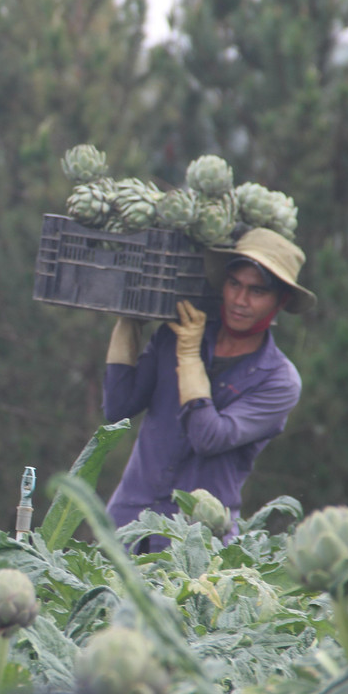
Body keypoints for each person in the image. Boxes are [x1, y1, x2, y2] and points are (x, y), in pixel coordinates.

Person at [101, 228, 316, 550]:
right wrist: (129, 321)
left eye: (257, 291)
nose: (241, 301)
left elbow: (208, 436)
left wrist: (189, 357)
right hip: (126, 525)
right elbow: (117, 408)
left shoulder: (279, 381)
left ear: (280, 301)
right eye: (235, 285)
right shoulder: (177, 334)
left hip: (197, 543)